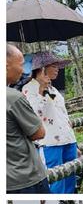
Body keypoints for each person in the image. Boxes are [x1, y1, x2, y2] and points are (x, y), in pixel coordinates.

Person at [22, 51, 79, 194]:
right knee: (56, 181)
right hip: (50, 142)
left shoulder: (53, 89)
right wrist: (41, 89)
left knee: (71, 178)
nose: (57, 69)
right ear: (42, 69)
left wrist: (74, 142)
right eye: (54, 66)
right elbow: (34, 115)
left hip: (68, 140)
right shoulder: (28, 89)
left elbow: (63, 115)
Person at [6, 44, 50, 194]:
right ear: (6, 65)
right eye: (21, 64)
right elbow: (38, 133)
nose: (23, 70)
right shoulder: (13, 97)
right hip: (25, 177)